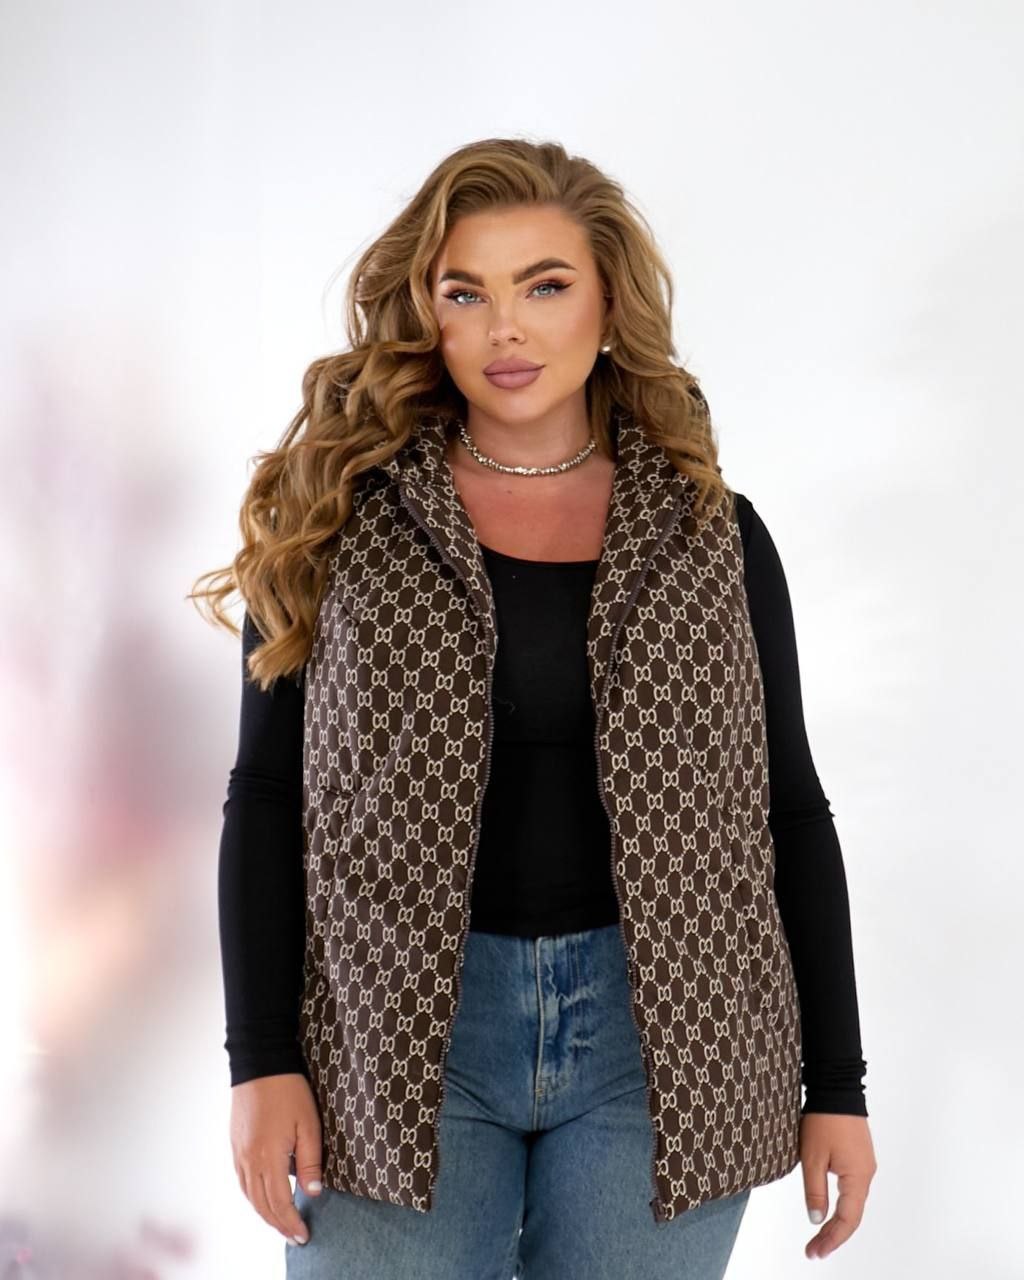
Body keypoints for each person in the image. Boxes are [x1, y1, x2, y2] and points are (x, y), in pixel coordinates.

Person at [192, 137, 876, 1279]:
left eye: (544, 286)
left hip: (665, 1047)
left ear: (608, 305)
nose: (504, 328)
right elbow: (265, 796)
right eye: (466, 293)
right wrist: (259, 1060)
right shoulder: (332, 519)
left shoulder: (712, 533)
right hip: (388, 1038)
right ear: (426, 314)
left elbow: (789, 808)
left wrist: (837, 1085)